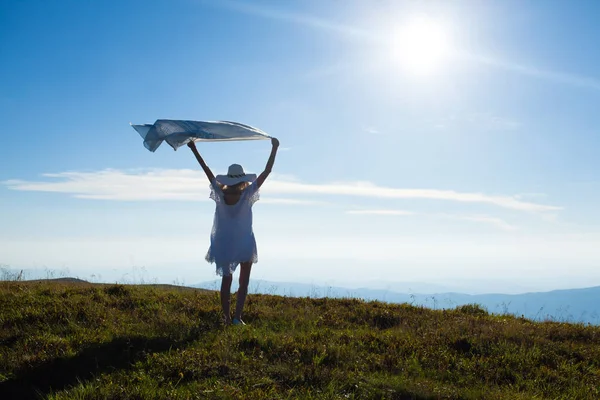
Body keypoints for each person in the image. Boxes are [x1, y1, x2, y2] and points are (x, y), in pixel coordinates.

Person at [187, 137, 280, 325]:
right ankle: (238, 317)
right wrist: (274, 148)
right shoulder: (248, 194)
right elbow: (267, 171)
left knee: (226, 281)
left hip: (224, 242)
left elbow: (206, 169)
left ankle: (226, 318)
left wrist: (194, 149)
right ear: (243, 178)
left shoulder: (220, 194)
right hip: (244, 241)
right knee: (243, 282)